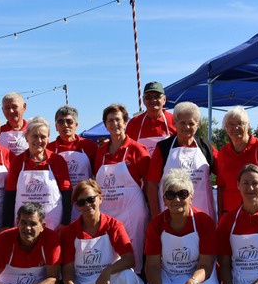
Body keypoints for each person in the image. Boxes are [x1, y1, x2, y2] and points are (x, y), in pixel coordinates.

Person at [138, 169, 224, 284]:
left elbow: (206, 264)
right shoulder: (156, 225)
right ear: (164, 199)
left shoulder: (204, 222)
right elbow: (152, 265)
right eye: (170, 195)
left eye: (182, 194)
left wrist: (192, 283)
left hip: (198, 275)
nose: (176, 200)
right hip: (168, 276)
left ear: (191, 197)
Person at [60, 180, 143, 284]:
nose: (87, 205)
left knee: (128, 276)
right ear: (77, 206)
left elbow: (129, 259)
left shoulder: (114, 225)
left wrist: (107, 271)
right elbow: (67, 272)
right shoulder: (69, 232)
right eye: (81, 202)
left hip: (108, 282)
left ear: (100, 198)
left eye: (91, 199)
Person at [94, 104, 150, 273]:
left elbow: (149, 183)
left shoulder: (137, 149)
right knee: (110, 251)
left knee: (135, 252)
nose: (114, 124)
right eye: (110, 121)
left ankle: (137, 282)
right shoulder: (101, 152)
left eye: (118, 119)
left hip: (132, 212)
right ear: (105, 125)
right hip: (107, 212)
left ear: (125, 122)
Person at [147, 102, 217, 221]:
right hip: (171, 214)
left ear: (197, 125)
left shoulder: (205, 147)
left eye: (191, 123)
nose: (187, 127)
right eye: (182, 123)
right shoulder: (163, 148)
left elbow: (224, 171)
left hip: (203, 214)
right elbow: (152, 184)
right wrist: (155, 215)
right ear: (175, 123)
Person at [2, 117, 72, 230]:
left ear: (48, 139)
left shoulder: (57, 160)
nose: (39, 141)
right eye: (35, 136)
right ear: (26, 137)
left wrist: (65, 222)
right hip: (24, 226)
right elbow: (10, 195)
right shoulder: (17, 161)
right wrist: (7, 225)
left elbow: (67, 194)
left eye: (43, 137)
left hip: (53, 225)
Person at [217, 106, 258, 216]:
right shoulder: (223, 153)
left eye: (240, 123)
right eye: (231, 124)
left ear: (247, 126)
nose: (236, 127)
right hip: (231, 213)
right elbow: (221, 186)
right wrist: (220, 215)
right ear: (225, 128)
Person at [47, 105, 98, 220]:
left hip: (85, 201)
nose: (65, 125)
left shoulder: (89, 146)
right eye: (60, 122)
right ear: (56, 126)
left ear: (76, 125)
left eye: (69, 121)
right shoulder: (49, 149)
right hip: (58, 203)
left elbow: (98, 175)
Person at [125, 81, 176, 156]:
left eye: (157, 96)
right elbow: (126, 150)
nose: (153, 100)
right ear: (143, 100)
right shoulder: (134, 123)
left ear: (164, 100)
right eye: (148, 97)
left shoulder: (175, 121)